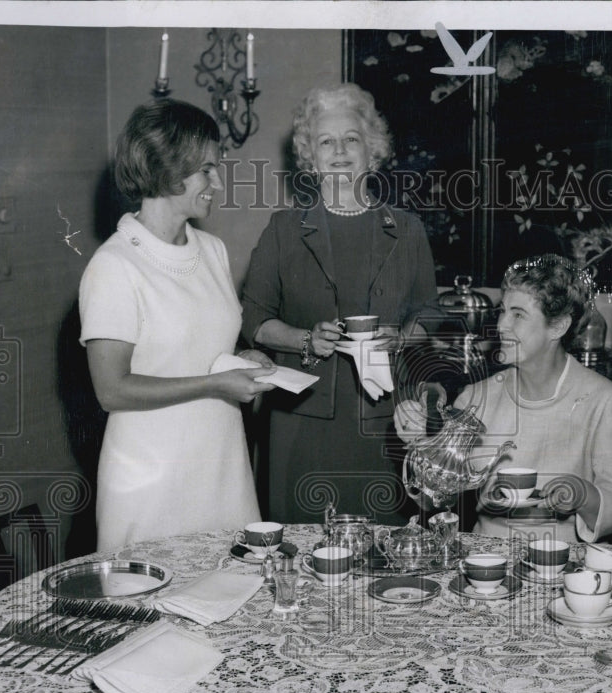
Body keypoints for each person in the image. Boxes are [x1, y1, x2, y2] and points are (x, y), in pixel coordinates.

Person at [79, 100, 277, 551]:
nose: (217, 182)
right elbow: (112, 389)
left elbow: (203, 348)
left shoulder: (213, 251)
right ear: (166, 168)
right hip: (151, 479)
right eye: (206, 169)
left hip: (222, 468)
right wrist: (214, 383)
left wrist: (242, 359)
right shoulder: (114, 265)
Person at [241, 83, 437, 523]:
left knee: (383, 548)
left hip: (385, 417)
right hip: (303, 417)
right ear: (311, 158)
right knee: (305, 545)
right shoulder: (283, 230)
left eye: (352, 139)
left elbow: (429, 312)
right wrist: (304, 339)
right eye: (326, 142)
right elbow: (254, 319)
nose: (340, 151)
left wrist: (403, 337)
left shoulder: (406, 229)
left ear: (372, 150)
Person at [396, 254, 612, 542]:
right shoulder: (477, 397)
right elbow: (433, 498)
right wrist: (418, 444)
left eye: (518, 315)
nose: (501, 326)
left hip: (564, 564)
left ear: (558, 326)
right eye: (502, 311)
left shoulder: (604, 401)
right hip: (487, 563)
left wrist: (583, 495)